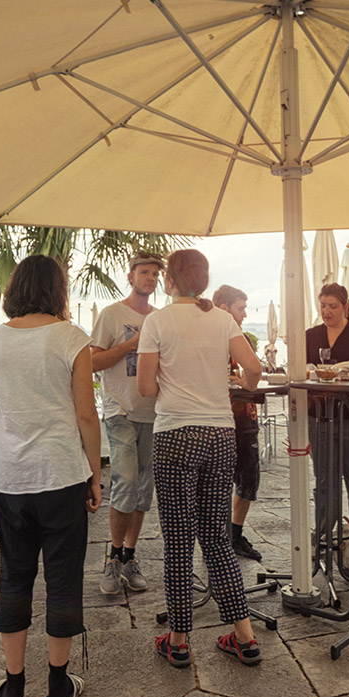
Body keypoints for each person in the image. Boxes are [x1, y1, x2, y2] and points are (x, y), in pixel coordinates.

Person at [0, 255, 103, 697]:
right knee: (63, 577)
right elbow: (86, 413)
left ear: (15, 289)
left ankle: (12, 688)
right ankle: (56, 685)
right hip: (61, 473)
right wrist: (95, 472)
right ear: (58, 289)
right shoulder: (70, 338)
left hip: (10, 477)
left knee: (14, 575)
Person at [138, 249, 263, 668]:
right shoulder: (222, 319)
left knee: (178, 541)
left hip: (175, 434)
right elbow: (254, 369)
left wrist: (174, 384)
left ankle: (177, 640)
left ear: (170, 281)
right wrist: (229, 385)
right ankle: (244, 637)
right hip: (220, 434)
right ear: (204, 282)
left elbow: (144, 389)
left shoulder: (156, 321)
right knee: (215, 538)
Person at [89, 253, 164, 596]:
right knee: (126, 481)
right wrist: (133, 343)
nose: (150, 278)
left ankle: (130, 557)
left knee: (143, 489)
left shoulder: (162, 318)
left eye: (155, 274)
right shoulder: (112, 314)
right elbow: (93, 362)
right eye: (144, 272)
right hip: (120, 409)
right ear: (131, 275)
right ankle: (113, 559)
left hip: (155, 412)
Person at [304, 283, 349, 567]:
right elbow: (299, 370)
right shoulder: (310, 335)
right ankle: (323, 540)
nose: (327, 311)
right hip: (319, 417)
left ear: (346, 306)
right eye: (323, 305)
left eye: (333, 306)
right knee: (325, 481)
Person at [213, 284, 264, 561]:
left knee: (246, 481)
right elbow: (253, 371)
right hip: (232, 415)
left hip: (237, 416)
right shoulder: (220, 335)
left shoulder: (236, 336)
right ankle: (225, 537)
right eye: (241, 308)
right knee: (240, 480)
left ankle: (232, 535)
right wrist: (244, 382)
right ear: (224, 308)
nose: (244, 314)